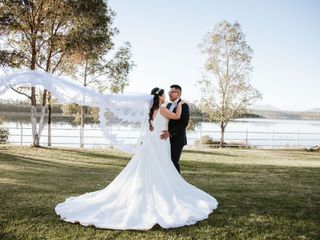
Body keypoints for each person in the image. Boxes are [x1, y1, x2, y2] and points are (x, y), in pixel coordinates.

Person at [55, 87, 218, 230]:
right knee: (161, 164)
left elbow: (151, 127)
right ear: (159, 97)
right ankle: (162, 190)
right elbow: (176, 117)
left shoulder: (150, 111)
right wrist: (181, 105)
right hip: (161, 142)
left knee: (154, 165)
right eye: (163, 94)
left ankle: (155, 186)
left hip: (153, 140)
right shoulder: (162, 109)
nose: (165, 96)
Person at [160, 85, 189, 173]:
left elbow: (184, 122)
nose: (169, 94)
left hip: (177, 138)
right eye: (169, 92)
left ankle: (178, 184)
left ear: (178, 93)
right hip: (166, 139)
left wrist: (170, 132)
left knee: (173, 162)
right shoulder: (168, 105)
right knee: (166, 161)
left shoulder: (184, 105)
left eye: (172, 92)